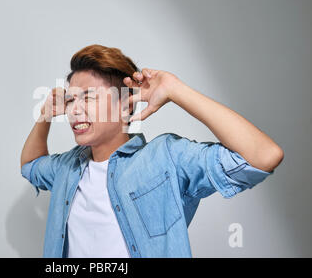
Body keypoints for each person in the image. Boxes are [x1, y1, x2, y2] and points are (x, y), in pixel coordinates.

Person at [20, 44, 284, 258]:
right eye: (70, 99)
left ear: (125, 106)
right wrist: (44, 117)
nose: (74, 110)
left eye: (88, 97)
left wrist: (176, 90)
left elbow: (263, 156)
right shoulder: (67, 168)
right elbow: (30, 165)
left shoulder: (165, 158)